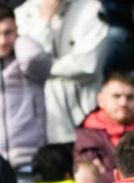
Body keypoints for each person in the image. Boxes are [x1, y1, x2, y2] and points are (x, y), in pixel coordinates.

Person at [14, 0, 108, 144]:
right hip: (36, 126)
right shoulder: (21, 14)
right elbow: (30, 62)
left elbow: (88, 65)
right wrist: (44, 20)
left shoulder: (91, 7)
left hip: (82, 119)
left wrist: (43, 67)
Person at [0, 5, 52, 168]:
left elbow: (34, 58)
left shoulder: (27, 61)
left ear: (17, 30)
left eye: (8, 32)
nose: (2, 41)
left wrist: (20, 39)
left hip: (28, 158)